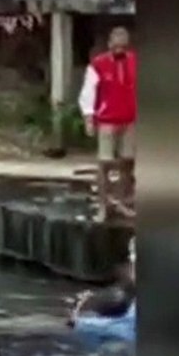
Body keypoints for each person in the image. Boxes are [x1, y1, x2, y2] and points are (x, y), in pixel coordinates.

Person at [78, 26, 138, 221]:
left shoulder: (134, 61)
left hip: (129, 119)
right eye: (116, 45)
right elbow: (88, 93)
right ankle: (103, 205)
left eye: (123, 45)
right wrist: (88, 118)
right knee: (105, 163)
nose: (119, 49)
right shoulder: (98, 64)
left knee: (128, 162)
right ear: (110, 44)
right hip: (107, 120)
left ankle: (121, 201)